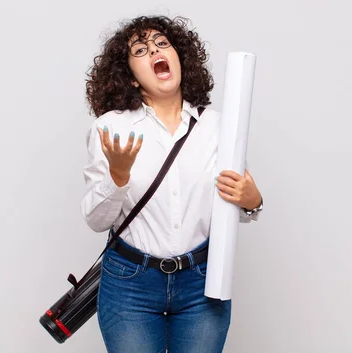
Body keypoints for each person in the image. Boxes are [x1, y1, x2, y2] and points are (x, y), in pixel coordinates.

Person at [81, 15, 263, 353]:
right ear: (131, 78)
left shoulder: (220, 127)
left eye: (162, 44)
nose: (154, 51)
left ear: (180, 57)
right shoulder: (110, 129)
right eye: (140, 50)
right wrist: (118, 178)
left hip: (202, 282)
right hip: (130, 284)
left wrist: (253, 201)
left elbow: (238, 203)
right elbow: (96, 220)